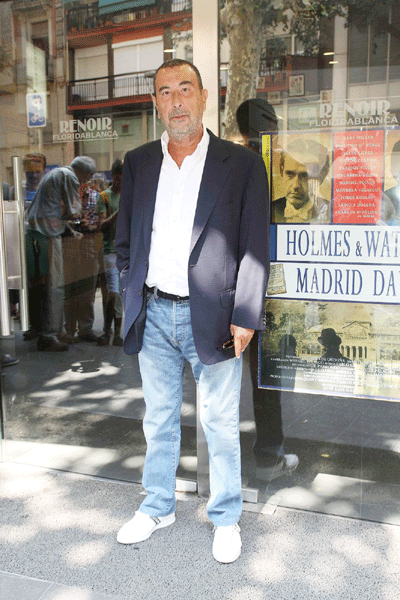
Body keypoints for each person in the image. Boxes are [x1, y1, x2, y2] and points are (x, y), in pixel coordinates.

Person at [115, 59, 269, 563]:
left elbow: (254, 246)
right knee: (158, 419)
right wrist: (130, 291)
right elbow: (125, 240)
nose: (176, 100)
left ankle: (225, 517)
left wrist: (246, 313)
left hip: (217, 316)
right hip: (154, 311)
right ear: (156, 104)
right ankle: (157, 506)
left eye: (186, 89)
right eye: (166, 92)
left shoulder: (240, 164)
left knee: (219, 423)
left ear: (205, 97)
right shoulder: (139, 162)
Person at [236, 99, 299, 479]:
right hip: (270, 285)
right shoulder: (283, 165)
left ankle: (224, 463)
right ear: (272, 124)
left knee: (224, 378)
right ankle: (268, 457)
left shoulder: (227, 163)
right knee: (267, 376)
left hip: (230, 286)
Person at [27, 156, 96, 351]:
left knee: (40, 286)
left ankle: (50, 331)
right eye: (88, 177)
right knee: (55, 286)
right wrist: (78, 219)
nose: (87, 181)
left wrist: (69, 227)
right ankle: (49, 335)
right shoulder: (70, 176)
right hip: (47, 234)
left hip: (35, 232)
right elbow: (74, 210)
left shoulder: (55, 173)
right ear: (86, 174)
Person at [62, 171, 103, 344]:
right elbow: (59, 221)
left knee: (87, 293)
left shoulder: (96, 197)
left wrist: (90, 226)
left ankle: (85, 329)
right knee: (69, 292)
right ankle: (69, 330)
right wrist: (70, 223)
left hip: (88, 246)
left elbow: (100, 222)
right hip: (69, 247)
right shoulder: (66, 197)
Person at [96, 159, 123, 346]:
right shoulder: (104, 197)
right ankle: (107, 331)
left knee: (121, 293)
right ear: (113, 176)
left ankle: (117, 334)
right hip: (110, 251)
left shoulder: (131, 195)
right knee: (113, 292)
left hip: (126, 251)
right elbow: (102, 224)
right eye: (120, 178)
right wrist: (118, 214)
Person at [273, 138, 331, 223]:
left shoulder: (331, 212)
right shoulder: (269, 209)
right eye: (289, 174)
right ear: (281, 171)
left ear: (321, 177)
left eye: (305, 176)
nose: (296, 185)